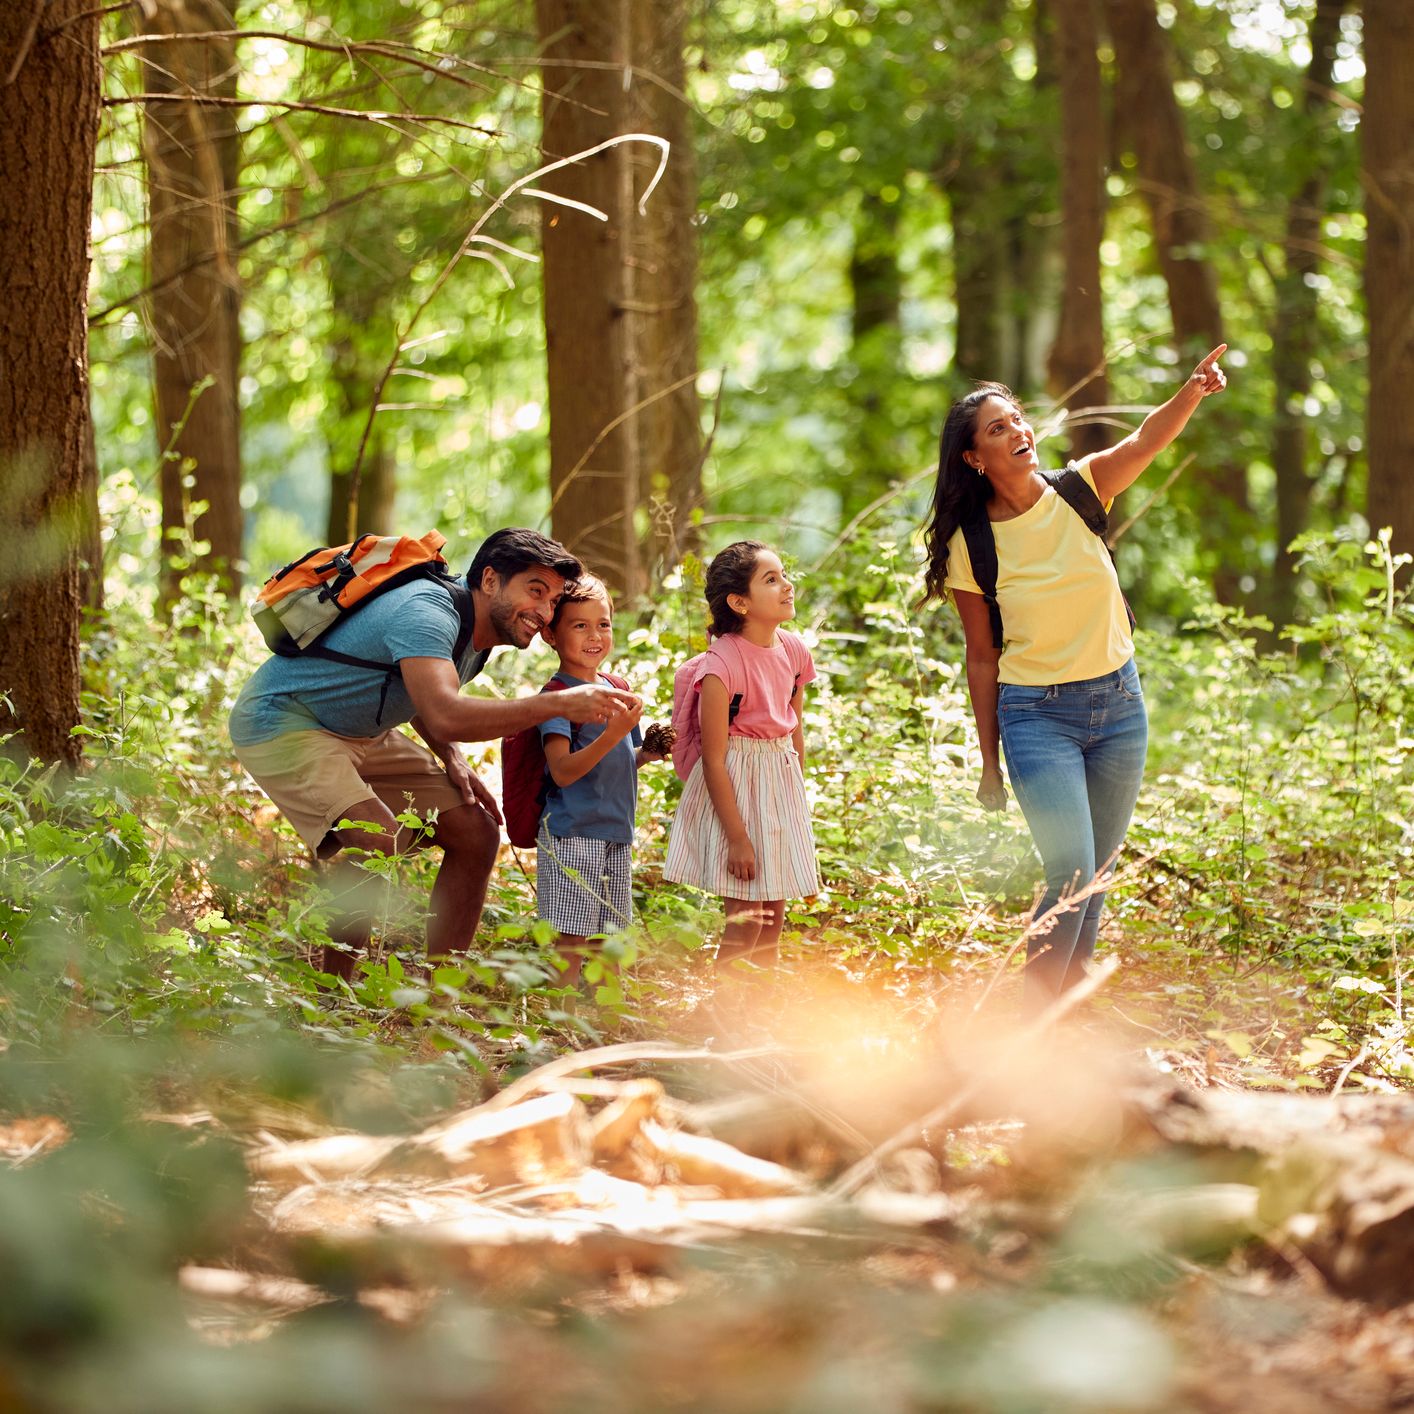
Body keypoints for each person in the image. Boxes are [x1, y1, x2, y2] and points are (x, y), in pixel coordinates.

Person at [920, 345, 1229, 1006]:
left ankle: (1061, 1030)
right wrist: (988, 761)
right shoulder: (970, 545)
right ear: (975, 457)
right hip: (1037, 717)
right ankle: (1022, 1032)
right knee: (1072, 872)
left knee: (1096, 876)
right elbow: (981, 656)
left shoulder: (1081, 487)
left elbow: (1147, 439)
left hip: (1120, 705)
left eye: (1018, 419)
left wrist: (1192, 391)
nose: (1018, 432)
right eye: (997, 428)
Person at [229, 527, 639, 980]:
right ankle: (334, 992)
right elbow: (444, 713)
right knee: (378, 837)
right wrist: (558, 703)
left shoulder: (479, 634)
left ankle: (441, 992)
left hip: (364, 733)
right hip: (284, 722)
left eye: (553, 601)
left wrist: (452, 759)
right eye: (535, 592)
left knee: (476, 832)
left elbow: (420, 694)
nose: (543, 613)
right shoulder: (428, 613)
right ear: (489, 581)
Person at [663, 541, 819, 968]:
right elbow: (714, 759)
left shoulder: (793, 650)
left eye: (783, 575)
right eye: (771, 580)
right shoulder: (721, 666)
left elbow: (794, 727)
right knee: (746, 920)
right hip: (737, 787)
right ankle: (723, 1015)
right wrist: (737, 838)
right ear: (739, 602)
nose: (787, 586)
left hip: (779, 783)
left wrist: (795, 805)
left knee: (773, 921)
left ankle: (758, 1016)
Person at [534, 575, 675, 985]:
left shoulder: (616, 689)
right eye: (580, 625)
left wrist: (646, 751)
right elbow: (562, 770)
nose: (595, 635)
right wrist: (613, 733)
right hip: (573, 832)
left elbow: (622, 758)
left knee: (609, 936)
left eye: (604, 624)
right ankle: (559, 1012)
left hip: (615, 830)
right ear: (550, 635)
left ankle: (608, 1018)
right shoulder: (557, 696)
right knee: (572, 937)